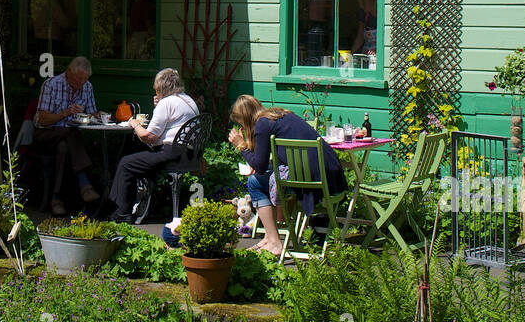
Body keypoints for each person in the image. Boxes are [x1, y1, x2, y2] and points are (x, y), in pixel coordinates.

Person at [228, 94, 347, 255]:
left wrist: (242, 146)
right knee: (267, 177)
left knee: (254, 182)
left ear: (246, 119)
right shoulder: (280, 114)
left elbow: (259, 167)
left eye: (241, 123)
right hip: (331, 177)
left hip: (311, 182)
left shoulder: (262, 124)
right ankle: (269, 239)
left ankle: (274, 241)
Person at [108, 68, 200, 222]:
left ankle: (122, 212)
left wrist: (134, 123)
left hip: (171, 154)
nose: (156, 92)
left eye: (156, 89)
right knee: (134, 151)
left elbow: (148, 136)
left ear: (161, 88)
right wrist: (158, 106)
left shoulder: (167, 103)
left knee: (126, 163)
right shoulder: (188, 100)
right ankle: (138, 203)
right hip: (189, 154)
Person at [32, 57, 101, 215]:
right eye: (79, 78)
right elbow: (43, 120)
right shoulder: (51, 85)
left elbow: (90, 114)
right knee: (70, 133)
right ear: (69, 72)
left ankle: (56, 199)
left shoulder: (87, 87)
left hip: (68, 140)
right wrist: (66, 112)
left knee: (64, 147)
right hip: (46, 133)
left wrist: (98, 116)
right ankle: (85, 184)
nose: (81, 82)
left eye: (85, 79)